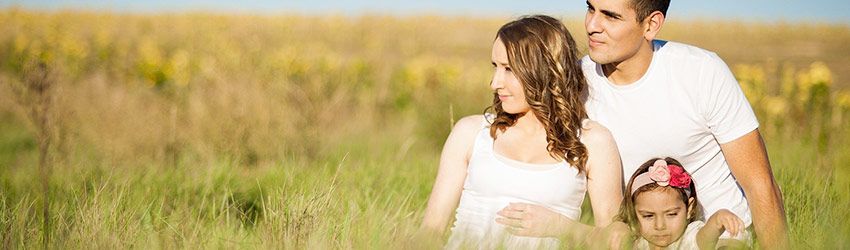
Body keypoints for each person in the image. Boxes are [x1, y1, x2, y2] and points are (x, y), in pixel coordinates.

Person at [581, 0, 789, 248]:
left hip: (720, 238)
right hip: (640, 241)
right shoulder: (577, 81)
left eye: (611, 16)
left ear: (651, 25)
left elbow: (760, 184)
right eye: (590, 8)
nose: (592, 25)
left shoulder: (702, 72)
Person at [419, 15, 623, 249]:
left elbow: (616, 240)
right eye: (496, 67)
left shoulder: (592, 141)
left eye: (509, 69)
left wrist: (560, 226)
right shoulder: (472, 132)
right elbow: (431, 231)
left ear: (545, 71)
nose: (495, 83)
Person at [619, 157, 747, 250]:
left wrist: (717, 220)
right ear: (633, 212)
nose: (660, 225)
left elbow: (705, 238)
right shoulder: (637, 241)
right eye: (648, 216)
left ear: (689, 209)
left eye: (671, 214)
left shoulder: (688, 238)